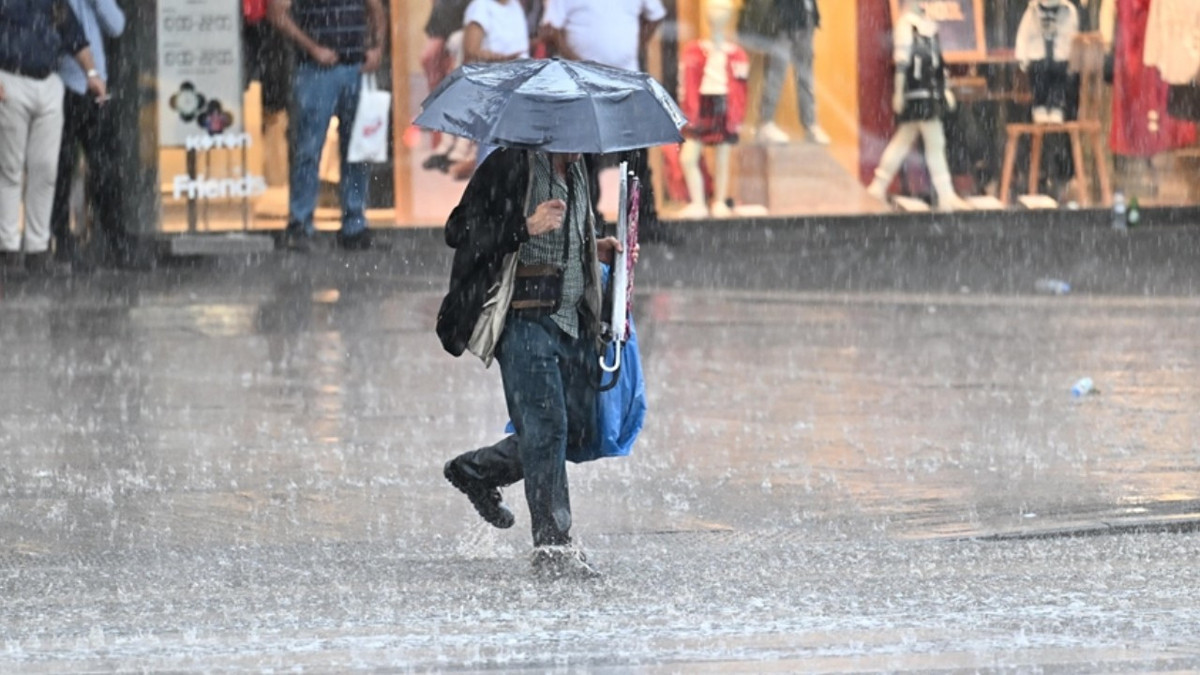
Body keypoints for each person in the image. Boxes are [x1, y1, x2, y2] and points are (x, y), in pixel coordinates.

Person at [436, 147, 627, 580]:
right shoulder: (510, 164)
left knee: (575, 428)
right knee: (547, 429)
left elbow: (564, 241)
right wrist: (525, 227)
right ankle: (554, 547)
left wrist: (592, 248)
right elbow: (459, 229)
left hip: (572, 318)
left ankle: (477, 471)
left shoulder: (579, 169)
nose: (580, 139)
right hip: (523, 320)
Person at [267, 0, 387, 252]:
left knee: (357, 150)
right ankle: (303, 223)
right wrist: (313, 49)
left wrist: (377, 48)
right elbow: (276, 13)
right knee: (309, 150)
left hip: (351, 67)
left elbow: (376, 7)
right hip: (317, 69)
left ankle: (352, 225)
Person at [1, 0, 106, 280]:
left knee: (46, 169)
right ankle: (7, 247)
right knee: (9, 168)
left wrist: (92, 73)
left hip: (48, 80)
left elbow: (75, 37)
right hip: (11, 77)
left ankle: (37, 248)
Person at [542, 0, 666, 236]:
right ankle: (587, 219)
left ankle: (641, 218)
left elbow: (656, 15)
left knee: (635, 153)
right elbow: (551, 30)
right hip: (582, 83)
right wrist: (579, 64)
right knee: (583, 156)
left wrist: (635, 45)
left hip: (625, 80)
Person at [865, 0, 969, 211]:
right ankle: (946, 193)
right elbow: (902, 63)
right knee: (934, 141)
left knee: (903, 140)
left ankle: (878, 185)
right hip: (917, 94)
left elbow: (938, 64)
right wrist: (899, 92)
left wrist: (944, 89)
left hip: (929, 94)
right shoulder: (907, 26)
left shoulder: (930, 28)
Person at [50, 0, 125, 271]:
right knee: (60, 169)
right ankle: (62, 242)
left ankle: (114, 240)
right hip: (61, 84)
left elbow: (117, 26)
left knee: (105, 167)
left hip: (95, 89)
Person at [676, 0, 749, 218]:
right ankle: (698, 202)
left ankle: (719, 201)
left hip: (725, 104)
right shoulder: (693, 50)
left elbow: (742, 89)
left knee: (722, 157)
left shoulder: (736, 53)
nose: (717, 15)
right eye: (713, 10)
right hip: (699, 105)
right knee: (689, 157)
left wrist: (738, 115)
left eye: (722, 11)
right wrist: (686, 111)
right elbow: (685, 83)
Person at [738, 0, 828, 144]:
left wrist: (812, 16)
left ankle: (810, 124)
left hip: (805, 16)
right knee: (776, 73)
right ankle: (765, 122)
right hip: (783, 18)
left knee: (804, 76)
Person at [462, 0, 532, 171]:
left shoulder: (515, 6)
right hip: (493, 91)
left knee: (515, 153)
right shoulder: (481, 7)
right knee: (492, 151)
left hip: (520, 88)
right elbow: (470, 50)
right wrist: (502, 60)